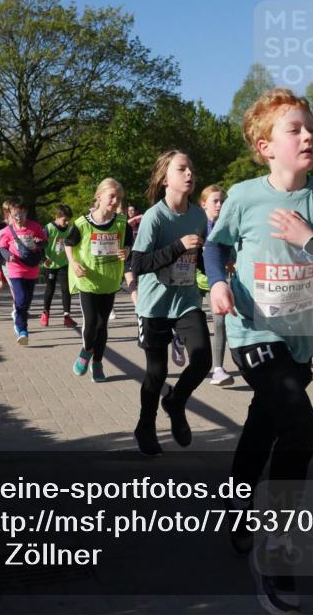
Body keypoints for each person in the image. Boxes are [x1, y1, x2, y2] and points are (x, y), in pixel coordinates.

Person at [205, 88, 313, 615]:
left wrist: (308, 239)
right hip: (253, 333)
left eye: (310, 127)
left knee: (264, 423)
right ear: (265, 146)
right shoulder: (245, 196)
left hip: (299, 339)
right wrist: (217, 282)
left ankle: (235, 505)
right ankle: (277, 547)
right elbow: (215, 243)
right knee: (302, 427)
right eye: (294, 129)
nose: (308, 135)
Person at [128, 151, 212, 457]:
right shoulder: (155, 216)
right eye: (182, 169)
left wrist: (217, 270)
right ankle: (145, 427)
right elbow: (138, 263)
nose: (189, 173)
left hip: (187, 299)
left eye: (191, 169)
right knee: (157, 372)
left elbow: (197, 256)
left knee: (202, 360)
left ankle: (176, 402)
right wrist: (177, 246)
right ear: (166, 179)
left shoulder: (198, 216)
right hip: (155, 304)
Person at [65, 181, 133, 383]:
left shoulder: (122, 223)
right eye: (111, 196)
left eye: (119, 198)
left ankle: (97, 362)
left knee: (102, 325)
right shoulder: (81, 223)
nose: (115, 201)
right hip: (88, 281)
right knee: (91, 323)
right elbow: (68, 244)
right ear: (99, 196)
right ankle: (86, 350)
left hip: (109, 280)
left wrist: (126, 251)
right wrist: (73, 263)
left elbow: (129, 243)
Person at [0, 199, 47, 346]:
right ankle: (22, 330)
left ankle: (18, 317)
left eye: (21, 214)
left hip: (32, 268)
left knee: (27, 300)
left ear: (26, 212)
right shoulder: (6, 231)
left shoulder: (35, 226)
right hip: (15, 268)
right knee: (21, 298)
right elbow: (2, 248)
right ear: (10, 214)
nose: (18, 217)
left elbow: (45, 242)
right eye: (15, 214)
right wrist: (8, 256)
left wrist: (38, 242)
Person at [199, 184, 234, 386]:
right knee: (194, 324)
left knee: (220, 323)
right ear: (204, 204)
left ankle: (218, 369)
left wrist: (233, 260)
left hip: (216, 284)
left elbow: (233, 252)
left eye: (223, 201)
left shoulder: (228, 227)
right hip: (193, 282)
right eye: (215, 201)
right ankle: (179, 340)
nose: (220, 205)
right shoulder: (195, 225)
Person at [42, 204, 75, 328]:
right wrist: (44, 259)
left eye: (68, 220)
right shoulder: (48, 228)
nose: (66, 223)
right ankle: (46, 312)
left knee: (66, 290)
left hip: (64, 263)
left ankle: (67, 316)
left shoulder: (70, 228)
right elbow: (39, 245)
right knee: (50, 289)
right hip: (50, 264)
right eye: (64, 220)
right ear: (57, 216)